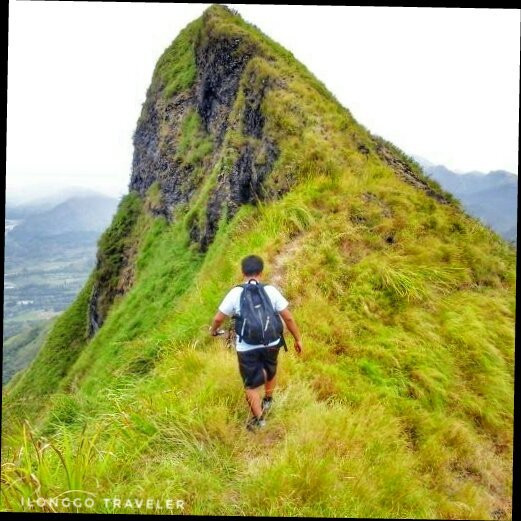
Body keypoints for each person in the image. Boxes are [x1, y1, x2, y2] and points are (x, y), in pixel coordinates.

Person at [209, 254, 303, 431]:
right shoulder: (271, 291)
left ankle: (259, 421)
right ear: (261, 271)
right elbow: (288, 318)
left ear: (242, 272)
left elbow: (218, 318)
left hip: (247, 346)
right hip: (272, 341)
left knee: (250, 384)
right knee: (271, 369)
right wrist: (298, 339)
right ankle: (268, 400)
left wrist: (213, 331)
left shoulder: (236, 293)